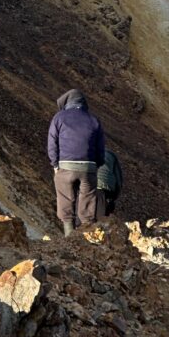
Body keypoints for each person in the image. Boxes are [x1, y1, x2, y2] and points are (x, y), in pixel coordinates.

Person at [47, 88, 105, 236]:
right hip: (88, 167)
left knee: (65, 199)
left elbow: (52, 143)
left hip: (65, 166)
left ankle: (69, 237)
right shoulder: (93, 120)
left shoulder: (59, 118)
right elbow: (100, 148)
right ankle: (86, 237)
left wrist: (55, 165)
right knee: (87, 203)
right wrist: (95, 165)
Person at [96, 148, 123, 217]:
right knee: (101, 220)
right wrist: (114, 197)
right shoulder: (110, 154)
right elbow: (118, 179)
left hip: (86, 189)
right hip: (105, 189)